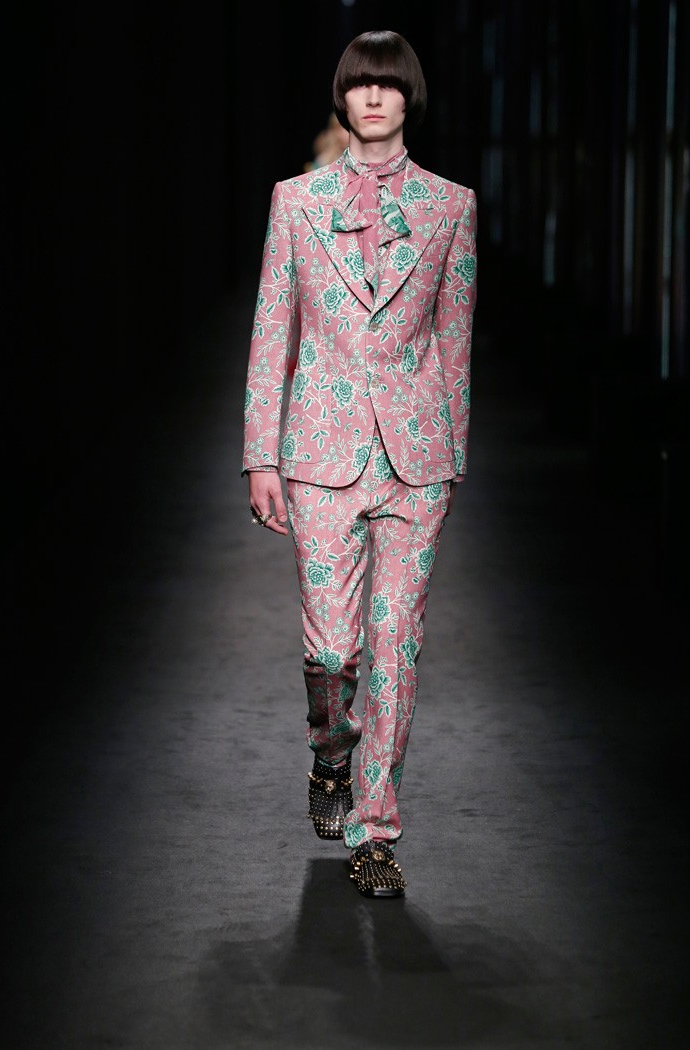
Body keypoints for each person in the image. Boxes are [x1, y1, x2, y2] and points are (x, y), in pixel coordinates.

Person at [242, 29, 477, 898]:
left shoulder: (452, 206)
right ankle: (330, 752)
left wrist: (452, 456)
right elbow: (274, 328)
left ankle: (375, 833)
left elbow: (455, 339)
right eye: (360, 83)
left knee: (396, 646)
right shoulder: (296, 202)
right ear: (342, 97)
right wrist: (260, 454)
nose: (374, 97)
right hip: (318, 448)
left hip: (416, 459)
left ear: (410, 97)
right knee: (335, 651)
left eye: (390, 83)